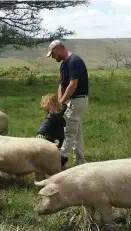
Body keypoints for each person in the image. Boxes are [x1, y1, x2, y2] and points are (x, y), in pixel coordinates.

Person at [46, 39, 89, 168]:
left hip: (77, 100)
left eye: (53, 54)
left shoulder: (74, 61)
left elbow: (73, 84)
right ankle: (80, 160)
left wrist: (63, 100)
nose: (53, 57)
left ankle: (59, 161)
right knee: (76, 131)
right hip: (70, 100)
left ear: (59, 48)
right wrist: (59, 101)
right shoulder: (63, 64)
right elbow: (61, 84)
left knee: (69, 132)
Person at [36, 93, 67, 167]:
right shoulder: (60, 113)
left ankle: (61, 161)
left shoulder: (50, 117)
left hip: (52, 138)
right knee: (57, 150)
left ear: (49, 105)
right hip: (60, 137)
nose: (41, 105)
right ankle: (60, 161)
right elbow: (64, 106)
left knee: (50, 152)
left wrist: (40, 133)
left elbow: (45, 125)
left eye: (43, 104)